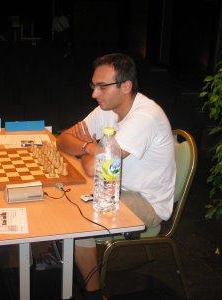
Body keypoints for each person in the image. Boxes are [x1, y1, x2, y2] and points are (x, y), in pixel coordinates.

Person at [57, 53, 176, 299]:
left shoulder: (145, 116)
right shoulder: (107, 109)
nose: (94, 94)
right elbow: (63, 139)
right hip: (112, 187)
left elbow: (93, 168)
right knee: (61, 200)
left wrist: (93, 153)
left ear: (126, 86)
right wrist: (89, 148)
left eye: (102, 86)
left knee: (81, 219)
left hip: (146, 201)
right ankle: (61, 260)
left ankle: (93, 293)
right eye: (94, 85)